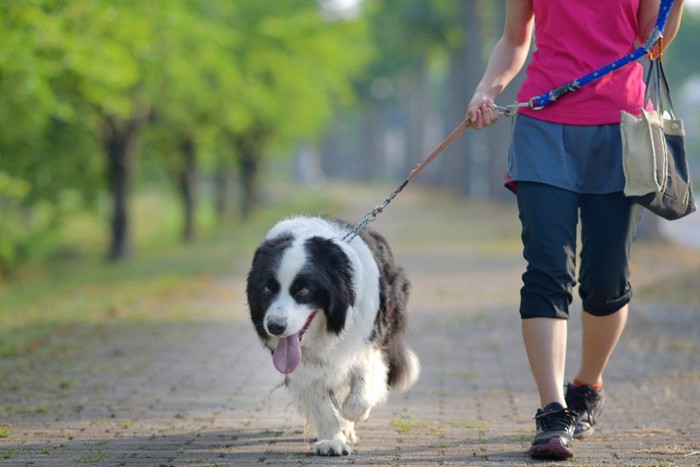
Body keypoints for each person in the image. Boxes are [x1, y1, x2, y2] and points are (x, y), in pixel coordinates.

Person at [465, 0, 685, 460]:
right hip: (544, 128)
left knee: (606, 282)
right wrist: (487, 89)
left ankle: (587, 385)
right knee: (547, 272)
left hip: (620, 132)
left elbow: (652, 44)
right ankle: (552, 411)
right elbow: (514, 38)